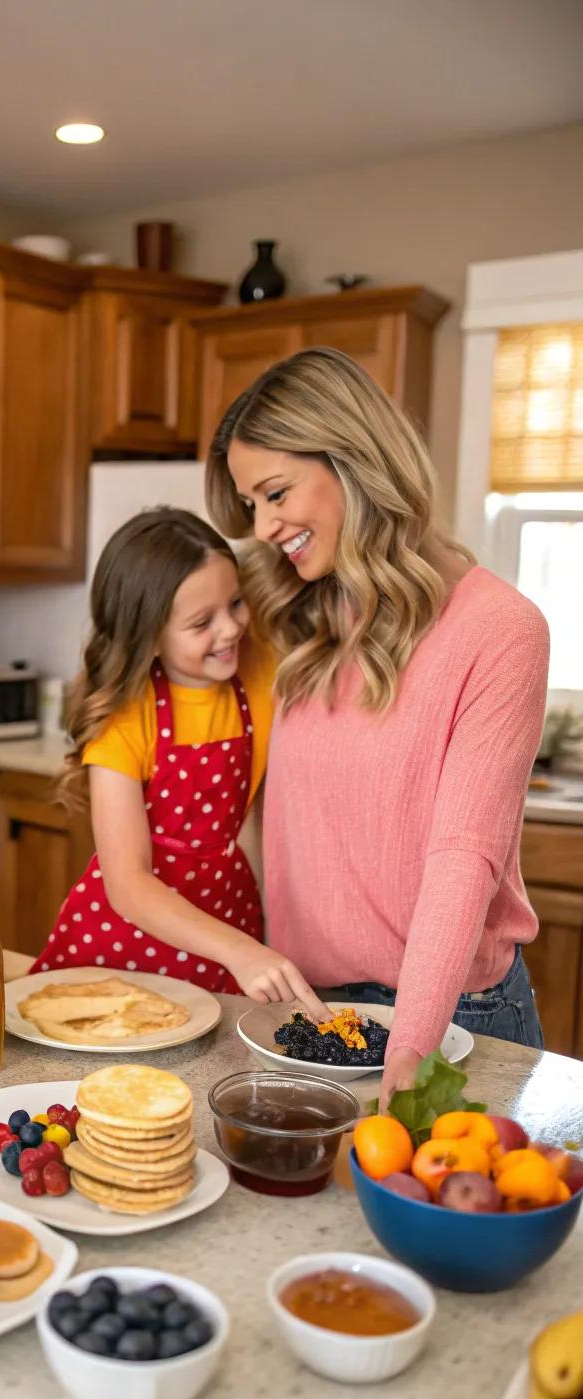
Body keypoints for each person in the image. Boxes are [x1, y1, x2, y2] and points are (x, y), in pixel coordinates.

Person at [206, 347, 548, 1102]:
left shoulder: (501, 629)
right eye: (250, 505)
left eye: (275, 493)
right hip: (315, 1009)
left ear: (352, 462)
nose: (262, 527)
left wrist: (410, 1061)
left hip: (456, 1014)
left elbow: (463, 861)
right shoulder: (294, 615)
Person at [31, 507, 328, 1017]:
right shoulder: (125, 718)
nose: (231, 628)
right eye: (200, 622)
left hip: (229, 911)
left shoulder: (260, 671)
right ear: (147, 636)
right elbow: (127, 883)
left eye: (235, 603)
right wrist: (240, 950)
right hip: (127, 937)